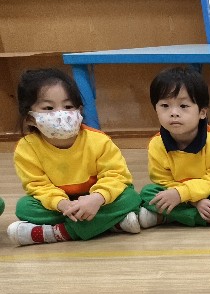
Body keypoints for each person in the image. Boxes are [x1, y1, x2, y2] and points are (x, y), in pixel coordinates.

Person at [7, 68, 141, 245]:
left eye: (68, 106)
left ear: (79, 111)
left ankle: (59, 232)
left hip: (97, 199)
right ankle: (111, 223)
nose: (60, 114)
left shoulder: (98, 140)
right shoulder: (26, 148)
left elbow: (116, 175)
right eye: (48, 108)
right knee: (25, 207)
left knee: (131, 197)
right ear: (30, 118)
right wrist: (63, 204)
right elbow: (38, 186)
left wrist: (96, 198)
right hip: (61, 205)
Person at [137, 66, 210, 229]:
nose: (174, 113)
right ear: (155, 109)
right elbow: (163, 181)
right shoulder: (156, 144)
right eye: (165, 105)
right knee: (148, 193)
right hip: (179, 194)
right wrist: (195, 201)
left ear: (202, 112)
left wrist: (187, 195)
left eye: (183, 106)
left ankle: (168, 217)